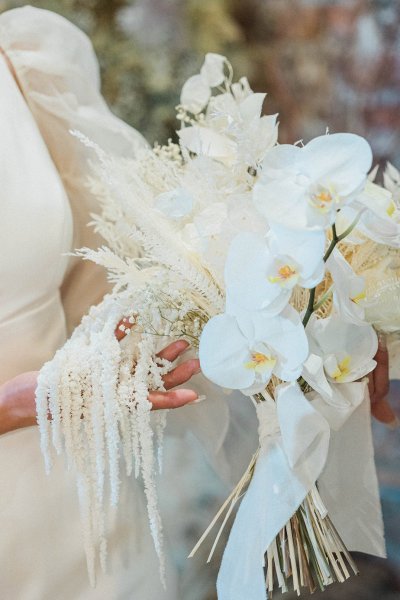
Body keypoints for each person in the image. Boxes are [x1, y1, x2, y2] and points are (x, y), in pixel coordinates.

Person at [0, 6, 210, 599]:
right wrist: (13, 408)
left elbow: (102, 268)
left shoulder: (23, 58)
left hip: (79, 499)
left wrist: (309, 303)